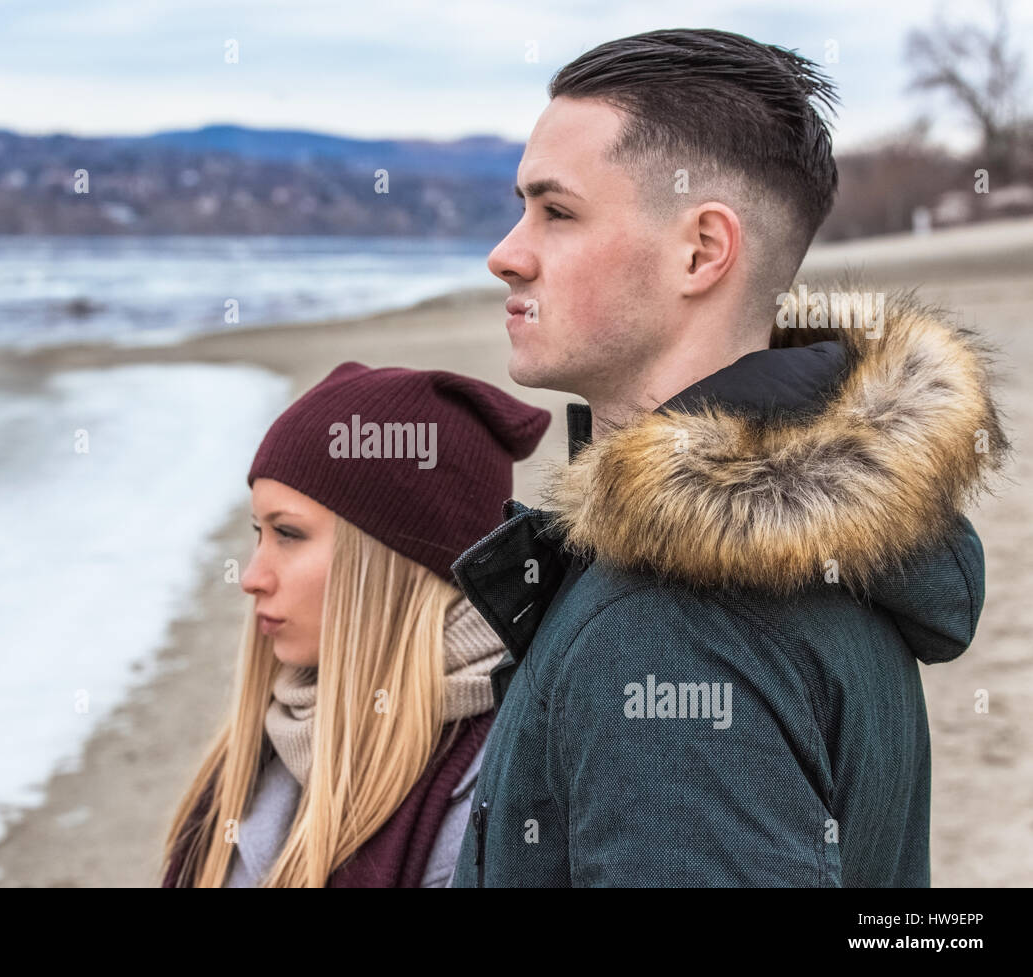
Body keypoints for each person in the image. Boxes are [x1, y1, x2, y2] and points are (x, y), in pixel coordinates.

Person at [448, 28, 1011, 886]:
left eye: (556, 212)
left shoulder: (666, 630)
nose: (506, 253)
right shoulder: (839, 549)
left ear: (703, 250)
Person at [160, 361, 550, 887]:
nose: (252, 577)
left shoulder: (497, 788)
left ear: (393, 561)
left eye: (289, 534)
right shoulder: (264, 744)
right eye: (259, 531)